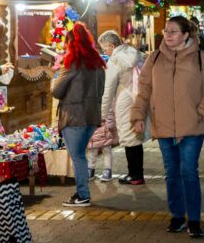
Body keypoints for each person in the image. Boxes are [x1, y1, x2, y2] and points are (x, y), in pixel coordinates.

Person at [130, 16, 204, 238]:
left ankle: (195, 219)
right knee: (171, 173)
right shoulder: (154, 58)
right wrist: (138, 115)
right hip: (164, 125)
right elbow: (144, 90)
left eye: (173, 31)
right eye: (166, 31)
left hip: (193, 126)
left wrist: (202, 113)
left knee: (188, 171)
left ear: (186, 34)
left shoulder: (201, 58)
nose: (167, 35)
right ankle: (178, 215)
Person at [52, 22, 105, 207]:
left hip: (74, 116)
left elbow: (56, 91)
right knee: (80, 155)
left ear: (70, 42)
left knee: (78, 157)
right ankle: (82, 193)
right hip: (91, 116)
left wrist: (54, 76)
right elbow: (102, 89)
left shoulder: (70, 63)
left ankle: (83, 195)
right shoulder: (97, 62)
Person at [97, 30, 146, 185]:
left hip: (124, 99)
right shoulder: (135, 54)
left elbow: (108, 90)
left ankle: (135, 175)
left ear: (112, 45)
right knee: (136, 137)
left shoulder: (115, 61)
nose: (105, 52)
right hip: (138, 99)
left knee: (128, 136)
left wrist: (102, 114)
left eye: (105, 49)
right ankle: (137, 173)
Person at [86, 107, 118, 181]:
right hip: (104, 133)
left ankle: (90, 171)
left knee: (92, 154)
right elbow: (110, 120)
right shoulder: (106, 102)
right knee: (107, 153)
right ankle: (107, 172)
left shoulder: (90, 102)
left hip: (93, 132)